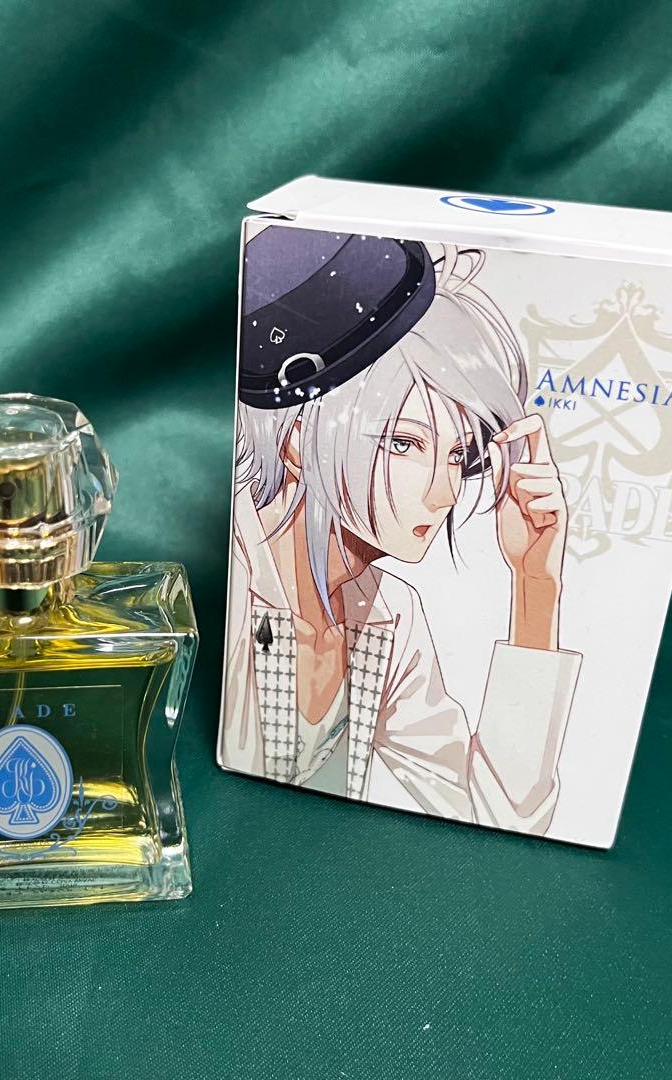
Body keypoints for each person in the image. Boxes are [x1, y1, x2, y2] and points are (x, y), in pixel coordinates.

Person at [219, 227, 581, 835]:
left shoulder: (389, 615)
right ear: (297, 441)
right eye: (405, 443)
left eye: (458, 455)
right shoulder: (233, 579)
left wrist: (535, 585)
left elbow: (495, 814)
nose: (444, 492)